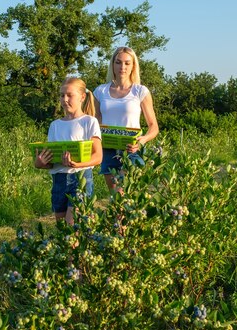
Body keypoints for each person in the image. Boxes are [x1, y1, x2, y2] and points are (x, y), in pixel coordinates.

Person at [34, 77, 103, 225]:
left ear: (82, 97)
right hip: (58, 180)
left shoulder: (89, 122)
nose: (65, 99)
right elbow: (52, 161)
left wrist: (77, 164)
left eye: (69, 95)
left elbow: (98, 157)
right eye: (61, 95)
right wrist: (40, 163)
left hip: (80, 178)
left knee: (72, 228)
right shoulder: (55, 125)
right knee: (62, 229)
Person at [93, 46, 159, 190]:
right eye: (118, 62)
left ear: (133, 66)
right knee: (116, 198)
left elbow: (153, 126)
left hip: (131, 149)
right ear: (112, 64)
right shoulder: (100, 91)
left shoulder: (140, 91)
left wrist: (142, 141)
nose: (122, 67)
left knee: (123, 192)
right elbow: (95, 122)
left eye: (127, 63)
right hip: (108, 149)